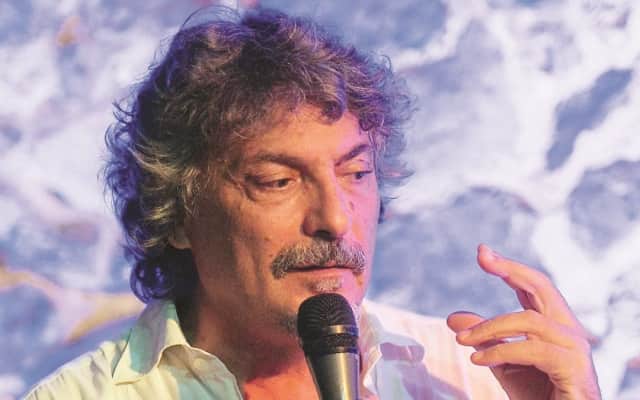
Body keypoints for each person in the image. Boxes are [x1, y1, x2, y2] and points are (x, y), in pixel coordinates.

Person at [26, 6, 601, 400]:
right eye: (277, 181)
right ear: (177, 213)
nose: (335, 217)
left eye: (356, 173)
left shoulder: (475, 379)